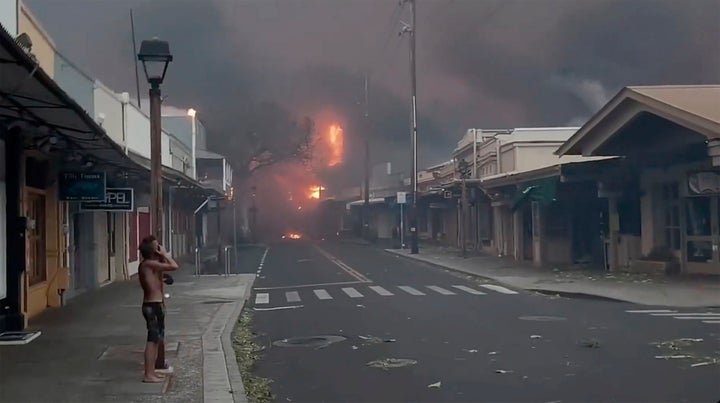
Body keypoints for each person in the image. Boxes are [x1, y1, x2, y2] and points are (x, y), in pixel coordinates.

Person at [138, 237, 178, 383]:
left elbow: (165, 275)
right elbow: (174, 266)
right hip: (151, 306)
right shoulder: (148, 264)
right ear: (153, 250)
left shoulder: (153, 265)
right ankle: (148, 374)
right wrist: (166, 255)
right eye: (157, 246)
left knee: (156, 339)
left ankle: (152, 371)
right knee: (152, 339)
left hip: (157, 304)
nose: (160, 247)